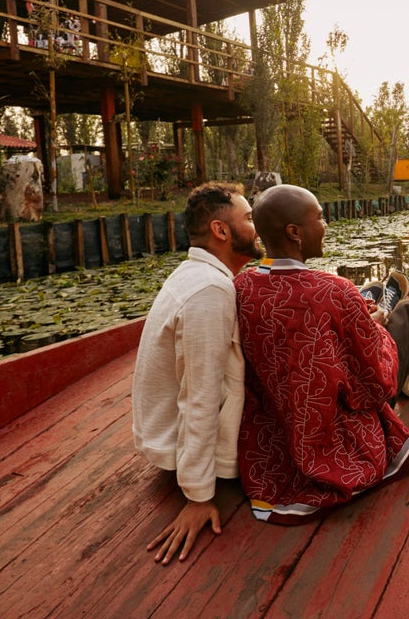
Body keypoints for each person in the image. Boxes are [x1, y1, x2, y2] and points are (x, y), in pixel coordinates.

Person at [235, 184, 409, 525]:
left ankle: (383, 301)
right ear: (295, 233)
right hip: (333, 435)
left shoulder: (242, 286)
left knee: (367, 306)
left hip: (275, 441)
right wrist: (376, 327)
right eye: (319, 217)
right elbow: (377, 383)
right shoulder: (332, 291)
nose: (326, 225)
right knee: (403, 316)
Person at [131, 182, 263, 564]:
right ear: (222, 230)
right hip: (184, 453)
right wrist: (198, 496)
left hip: (169, 437)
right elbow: (199, 396)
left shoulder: (198, 274)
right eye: (249, 218)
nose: (256, 227)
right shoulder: (209, 292)